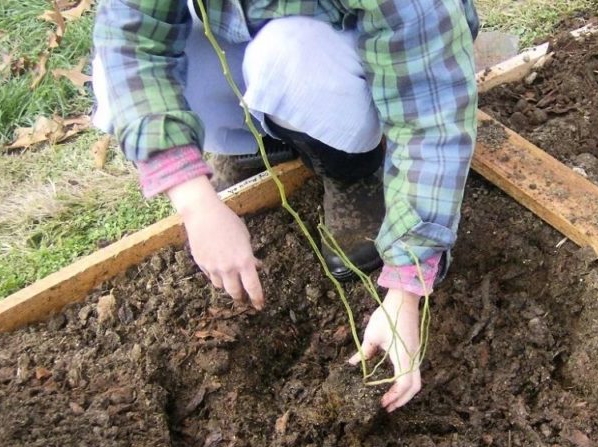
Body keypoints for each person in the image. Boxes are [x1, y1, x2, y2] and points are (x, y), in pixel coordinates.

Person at [92, 0, 479, 412]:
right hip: (237, 37)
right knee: (111, 72)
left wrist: (405, 289)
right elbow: (130, 45)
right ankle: (249, 144)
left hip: (349, 50)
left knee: (291, 57)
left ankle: (349, 164)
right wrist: (195, 203)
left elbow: (430, 115)